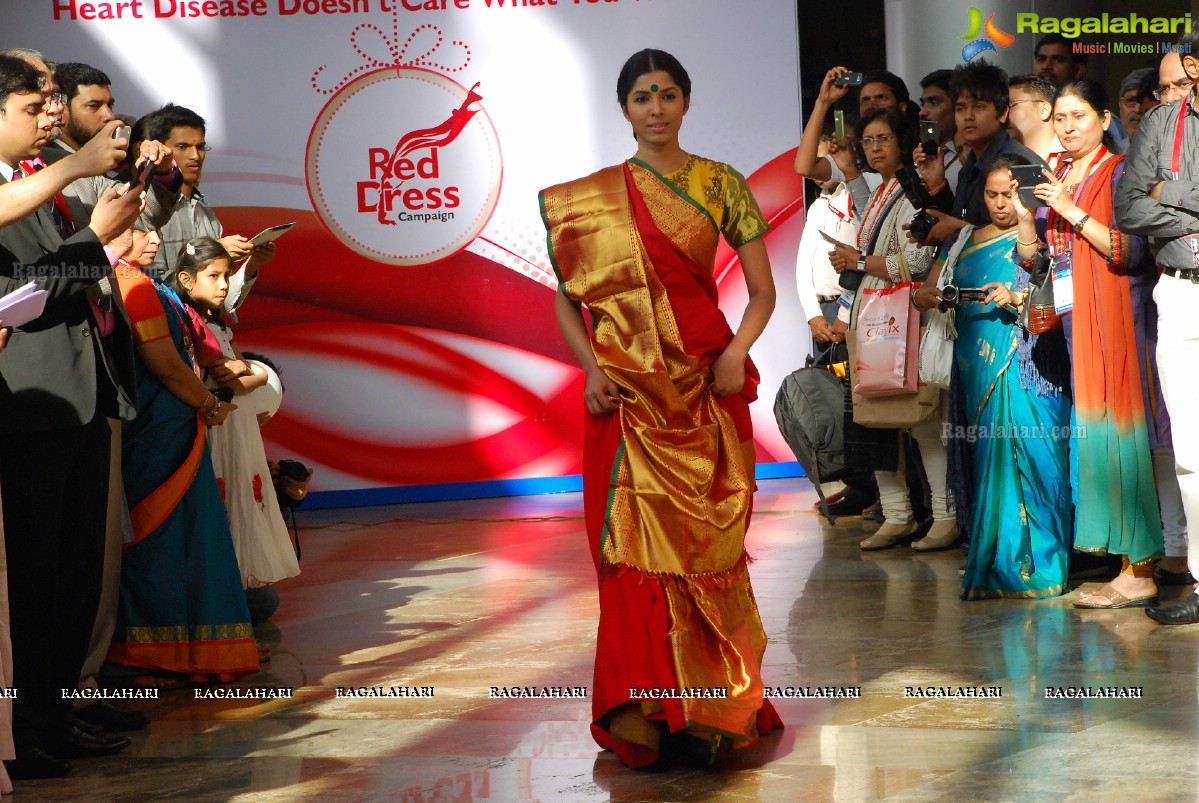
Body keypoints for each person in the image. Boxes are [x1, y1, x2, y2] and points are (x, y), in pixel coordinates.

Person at [540, 49, 780, 768]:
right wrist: (589, 368)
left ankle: (711, 707)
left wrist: (738, 350)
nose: (655, 107)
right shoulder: (589, 198)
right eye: (641, 96)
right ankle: (646, 712)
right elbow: (564, 296)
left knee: (710, 549)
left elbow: (762, 291)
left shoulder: (719, 183)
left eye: (667, 94)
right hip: (625, 402)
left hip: (702, 390)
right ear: (624, 108)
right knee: (632, 560)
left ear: (684, 102)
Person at [0, 53, 145, 779]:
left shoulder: (34, 183)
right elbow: (17, 297)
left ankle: (61, 716)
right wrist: (94, 239)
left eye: (51, 104)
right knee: (35, 578)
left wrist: (108, 233)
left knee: (76, 577)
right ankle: (28, 731)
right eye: (34, 107)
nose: (47, 119)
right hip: (30, 407)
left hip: (85, 393)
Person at [1017, 79, 1162, 609]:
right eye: (1059, 118)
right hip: (1072, 321)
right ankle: (1128, 559)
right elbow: (1038, 261)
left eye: (1079, 116)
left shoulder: (1119, 171)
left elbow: (1128, 250)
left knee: (1121, 435)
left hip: (1114, 315)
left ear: (1105, 118)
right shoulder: (1058, 174)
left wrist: (1069, 210)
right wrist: (1025, 218)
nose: (1067, 126)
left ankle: (1141, 566)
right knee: (1094, 440)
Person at [915, 157, 1073, 598]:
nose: (1001, 203)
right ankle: (994, 564)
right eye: (992, 195)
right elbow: (923, 292)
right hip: (975, 360)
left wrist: (1016, 294)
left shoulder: (1039, 230)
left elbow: (1043, 275)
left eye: (1008, 194)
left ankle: (1044, 568)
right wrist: (927, 296)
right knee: (990, 465)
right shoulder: (963, 238)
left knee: (1040, 460)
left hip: (1027, 361)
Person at [107, 237, 259, 684]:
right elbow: (166, 365)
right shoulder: (129, 281)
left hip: (176, 427)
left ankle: (200, 647)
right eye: (138, 227)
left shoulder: (152, 285)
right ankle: (160, 651)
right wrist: (210, 407)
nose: (152, 239)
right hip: (157, 432)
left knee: (194, 538)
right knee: (164, 543)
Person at [826, 107, 956, 551]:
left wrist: (858, 262)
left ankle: (944, 515)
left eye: (883, 139)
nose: (874, 147)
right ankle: (897, 514)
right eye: (868, 141)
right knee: (876, 418)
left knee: (921, 419)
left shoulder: (915, 190)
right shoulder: (883, 191)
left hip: (905, 315)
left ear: (902, 142)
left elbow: (919, 261)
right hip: (876, 316)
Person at [1115, 29, 1199, 624]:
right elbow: (1130, 209)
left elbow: (1156, 201)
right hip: (1183, 292)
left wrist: (1176, 192)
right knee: (1192, 450)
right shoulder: (1160, 124)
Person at [178, 247, 301, 592]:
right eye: (213, 277)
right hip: (225, 426)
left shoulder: (217, 322)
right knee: (228, 494)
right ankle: (228, 590)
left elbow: (240, 370)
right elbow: (233, 379)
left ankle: (245, 588)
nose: (222, 285)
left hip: (241, 424)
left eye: (225, 277)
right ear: (187, 280)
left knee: (248, 491)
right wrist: (258, 375)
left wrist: (249, 370)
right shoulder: (194, 323)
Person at [137, 104, 275, 314]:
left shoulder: (206, 213)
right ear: (160, 150)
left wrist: (251, 264)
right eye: (183, 147)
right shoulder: (145, 207)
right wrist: (209, 256)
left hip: (204, 336)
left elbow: (219, 304)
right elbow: (149, 286)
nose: (195, 155)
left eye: (201, 147)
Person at [915, 60, 1044, 247]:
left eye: (979, 106)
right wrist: (937, 184)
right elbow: (958, 218)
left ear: (1002, 113)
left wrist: (960, 230)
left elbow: (1034, 241)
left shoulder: (1023, 165)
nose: (968, 116)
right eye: (960, 108)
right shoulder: (971, 163)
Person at [1007, 74, 1063, 167]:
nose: (1004, 114)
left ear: (1044, 110)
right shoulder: (1001, 162)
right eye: (1002, 108)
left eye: (1012, 105)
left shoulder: (1072, 156)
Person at [918, 69, 961, 189]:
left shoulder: (970, 156)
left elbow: (966, 209)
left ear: (958, 106)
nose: (922, 112)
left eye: (934, 102)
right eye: (923, 104)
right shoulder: (921, 155)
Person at [1119, 67, 1156, 140]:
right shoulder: (1114, 150)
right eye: (1130, 100)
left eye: (1145, 102)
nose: (1137, 109)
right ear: (1120, 105)